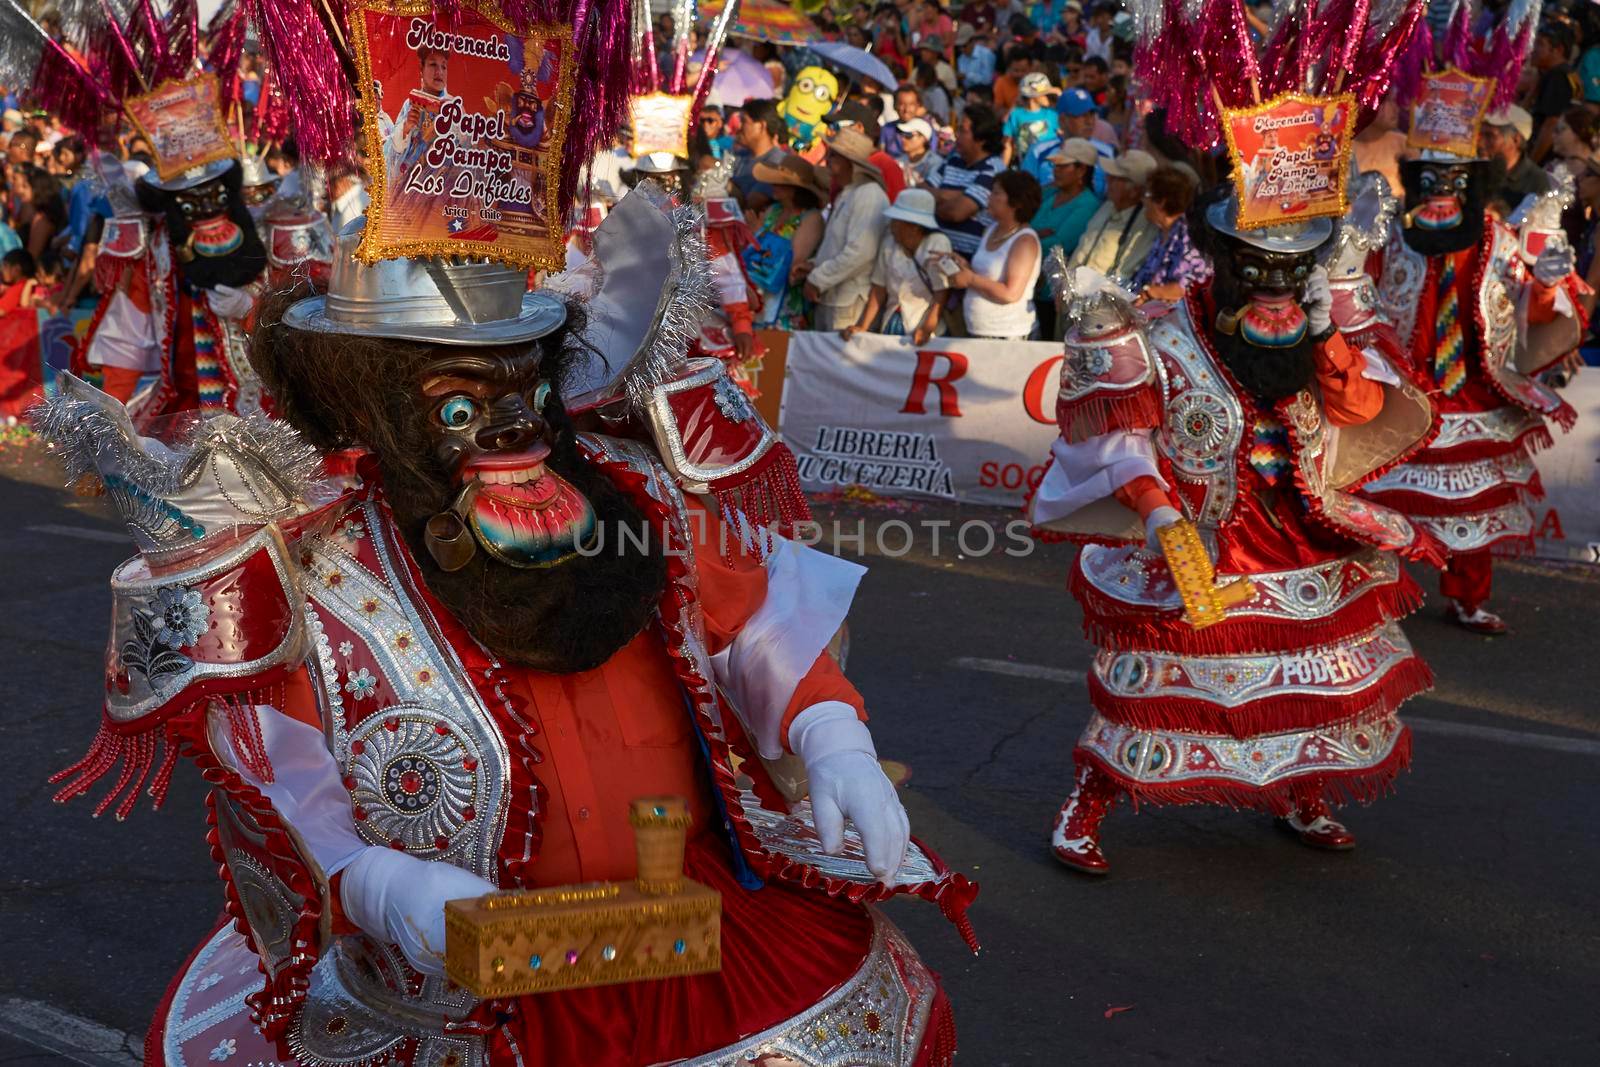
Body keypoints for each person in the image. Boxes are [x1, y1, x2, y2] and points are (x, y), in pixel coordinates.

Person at [34, 186, 973, 1065]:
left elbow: (752, 617)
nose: (512, 433)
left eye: (523, 391)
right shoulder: (317, 558)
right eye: (458, 403)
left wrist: (830, 732)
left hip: (682, 918)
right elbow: (273, 767)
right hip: (451, 968)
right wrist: (377, 886)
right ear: (380, 405)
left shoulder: (630, 495)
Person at [1364, 144, 1586, 635]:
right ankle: (1377, 596)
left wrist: (1547, 286)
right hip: (1402, 389)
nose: (1440, 191)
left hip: (1471, 388)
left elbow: (1532, 312)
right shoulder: (1390, 240)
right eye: (1429, 179)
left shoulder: (1497, 240)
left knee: (1476, 502)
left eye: (1453, 179)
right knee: (1383, 499)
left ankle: (1468, 598)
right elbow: (1357, 300)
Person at [800, 128, 890, 330]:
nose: (828, 163)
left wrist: (818, 278)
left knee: (841, 359)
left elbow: (860, 252)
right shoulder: (849, 193)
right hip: (834, 295)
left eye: (833, 157)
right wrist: (814, 265)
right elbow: (838, 245)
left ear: (849, 163)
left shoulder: (869, 195)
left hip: (849, 301)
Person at [842, 187, 953, 343]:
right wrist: (863, 326)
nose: (892, 225)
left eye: (897, 221)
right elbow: (878, 289)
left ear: (914, 226)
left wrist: (928, 327)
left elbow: (942, 292)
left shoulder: (937, 244)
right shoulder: (889, 244)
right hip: (891, 321)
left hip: (923, 325)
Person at [943, 169, 1043, 339]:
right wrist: (963, 266)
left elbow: (1011, 293)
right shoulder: (991, 230)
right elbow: (986, 277)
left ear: (1016, 201)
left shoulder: (1024, 241)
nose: (989, 197)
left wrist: (969, 279)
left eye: (996, 192)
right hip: (979, 329)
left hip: (1008, 334)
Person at [746, 151, 826, 329]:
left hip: (786, 302)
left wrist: (759, 233)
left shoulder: (811, 218)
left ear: (797, 189)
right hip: (760, 296)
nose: (774, 185)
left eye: (782, 183)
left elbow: (794, 261)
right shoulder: (773, 210)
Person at [1065, 148, 1158, 282]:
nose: (1107, 180)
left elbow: (1124, 274)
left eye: (1115, 178)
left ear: (1135, 190)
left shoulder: (1145, 224)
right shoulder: (1108, 205)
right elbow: (1082, 248)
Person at [1127, 164, 1209, 302]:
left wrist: (1150, 293)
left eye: (1147, 194)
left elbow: (1193, 286)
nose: (1143, 200)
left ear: (1161, 202)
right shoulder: (1164, 231)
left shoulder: (1190, 237)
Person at [933, 104, 1006, 258]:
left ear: (981, 139)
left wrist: (932, 204)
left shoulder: (993, 170)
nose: (956, 134)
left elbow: (956, 213)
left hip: (967, 262)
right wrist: (958, 195)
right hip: (938, 255)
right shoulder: (953, 160)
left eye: (962, 130)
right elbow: (922, 191)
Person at [1032, 138, 1102, 272]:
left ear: (1081, 170)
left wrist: (1026, 236)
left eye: (1062, 166)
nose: (1056, 171)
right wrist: (1034, 234)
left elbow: (1056, 246)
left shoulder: (1088, 205)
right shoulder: (1049, 192)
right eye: (1055, 166)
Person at [1481, 106, 1551, 216]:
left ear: (1516, 140)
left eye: (1489, 136)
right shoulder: (1477, 170)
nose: (1481, 143)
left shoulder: (1536, 181)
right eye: (1480, 135)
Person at [1529, 19, 1580, 163]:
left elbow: (1550, 126)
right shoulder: (1568, 73)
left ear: (1558, 50)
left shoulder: (1558, 76)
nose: (1533, 48)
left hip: (1548, 160)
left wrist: (1530, 166)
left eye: (1540, 44)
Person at [0, 246, 41, 420]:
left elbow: (2, 310)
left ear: (16, 269)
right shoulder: (19, 286)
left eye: (4, 266)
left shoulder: (19, 286)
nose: (2, 271)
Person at [730, 99, 789, 213]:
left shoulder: (776, 161)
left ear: (761, 126)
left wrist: (727, 185)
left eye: (744, 121)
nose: (739, 127)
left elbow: (753, 203)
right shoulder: (740, 155)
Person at [1002, 72, 1062, 166]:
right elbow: (1007, 145)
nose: (1048, 98)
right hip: (1025, 167)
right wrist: (1002, 168)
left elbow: (1064, 135)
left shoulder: (1052, 114)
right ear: (1033, 96)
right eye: (1044, 94)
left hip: (1049, 167)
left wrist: (1060, 95)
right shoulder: (1015, 115)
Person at [894, 116, 945, 187]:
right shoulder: (897, 162)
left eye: (908, 135)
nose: (903, 139)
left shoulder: (936, 163)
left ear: (924, 138)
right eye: (902, 134)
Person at [957, 23, 997, 89]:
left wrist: (967, 76)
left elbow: (987, 80)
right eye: (960, 46)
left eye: (964, 46)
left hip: (984, 92)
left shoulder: (986, 54)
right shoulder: (961, 58)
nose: (962, 49)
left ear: (972, 41)